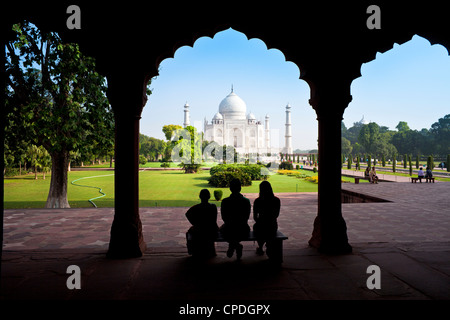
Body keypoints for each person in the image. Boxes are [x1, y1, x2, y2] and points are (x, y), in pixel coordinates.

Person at [220, 178, 251, 260]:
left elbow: (224, 218)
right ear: (240, 188)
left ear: (230, 188)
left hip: (228, 229)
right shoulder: (246, 201)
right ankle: (236, 245)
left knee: (222, 230)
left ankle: (233, 245)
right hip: (243, 229)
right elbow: (246, 217)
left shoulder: (225, 201)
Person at [185, 189, 219, 258]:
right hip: (211, 230)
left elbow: (187, 214)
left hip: (199, 230)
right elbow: (214, 220)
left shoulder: (196, 207)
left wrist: (195, 224)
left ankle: (193, 251)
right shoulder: (213, 207)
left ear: (200, 197)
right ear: (209, 197)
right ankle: (210, 251)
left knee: (190, 232)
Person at [253, 181, 280, 257]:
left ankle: (261, 247)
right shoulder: (276, 200)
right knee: (269, 229)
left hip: (261, 225)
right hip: (272, 225)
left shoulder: (258, 201)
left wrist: (260, 222)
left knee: (257, 227)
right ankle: (269, 244)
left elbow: (255, 217)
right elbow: (276, 215)